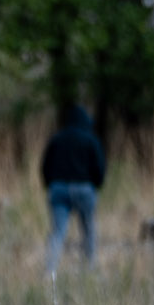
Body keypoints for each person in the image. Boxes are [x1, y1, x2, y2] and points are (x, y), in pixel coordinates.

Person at [41, 103, 106, 278]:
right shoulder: (90, 139)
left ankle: (49, 272)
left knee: (57, 231)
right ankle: (90, 271)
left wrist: (50, 184)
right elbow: (99, 168)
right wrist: (96, 184)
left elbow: (45, 166)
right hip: (84, 189)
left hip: (58, 188)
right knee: (89, 230)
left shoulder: (56, 139)